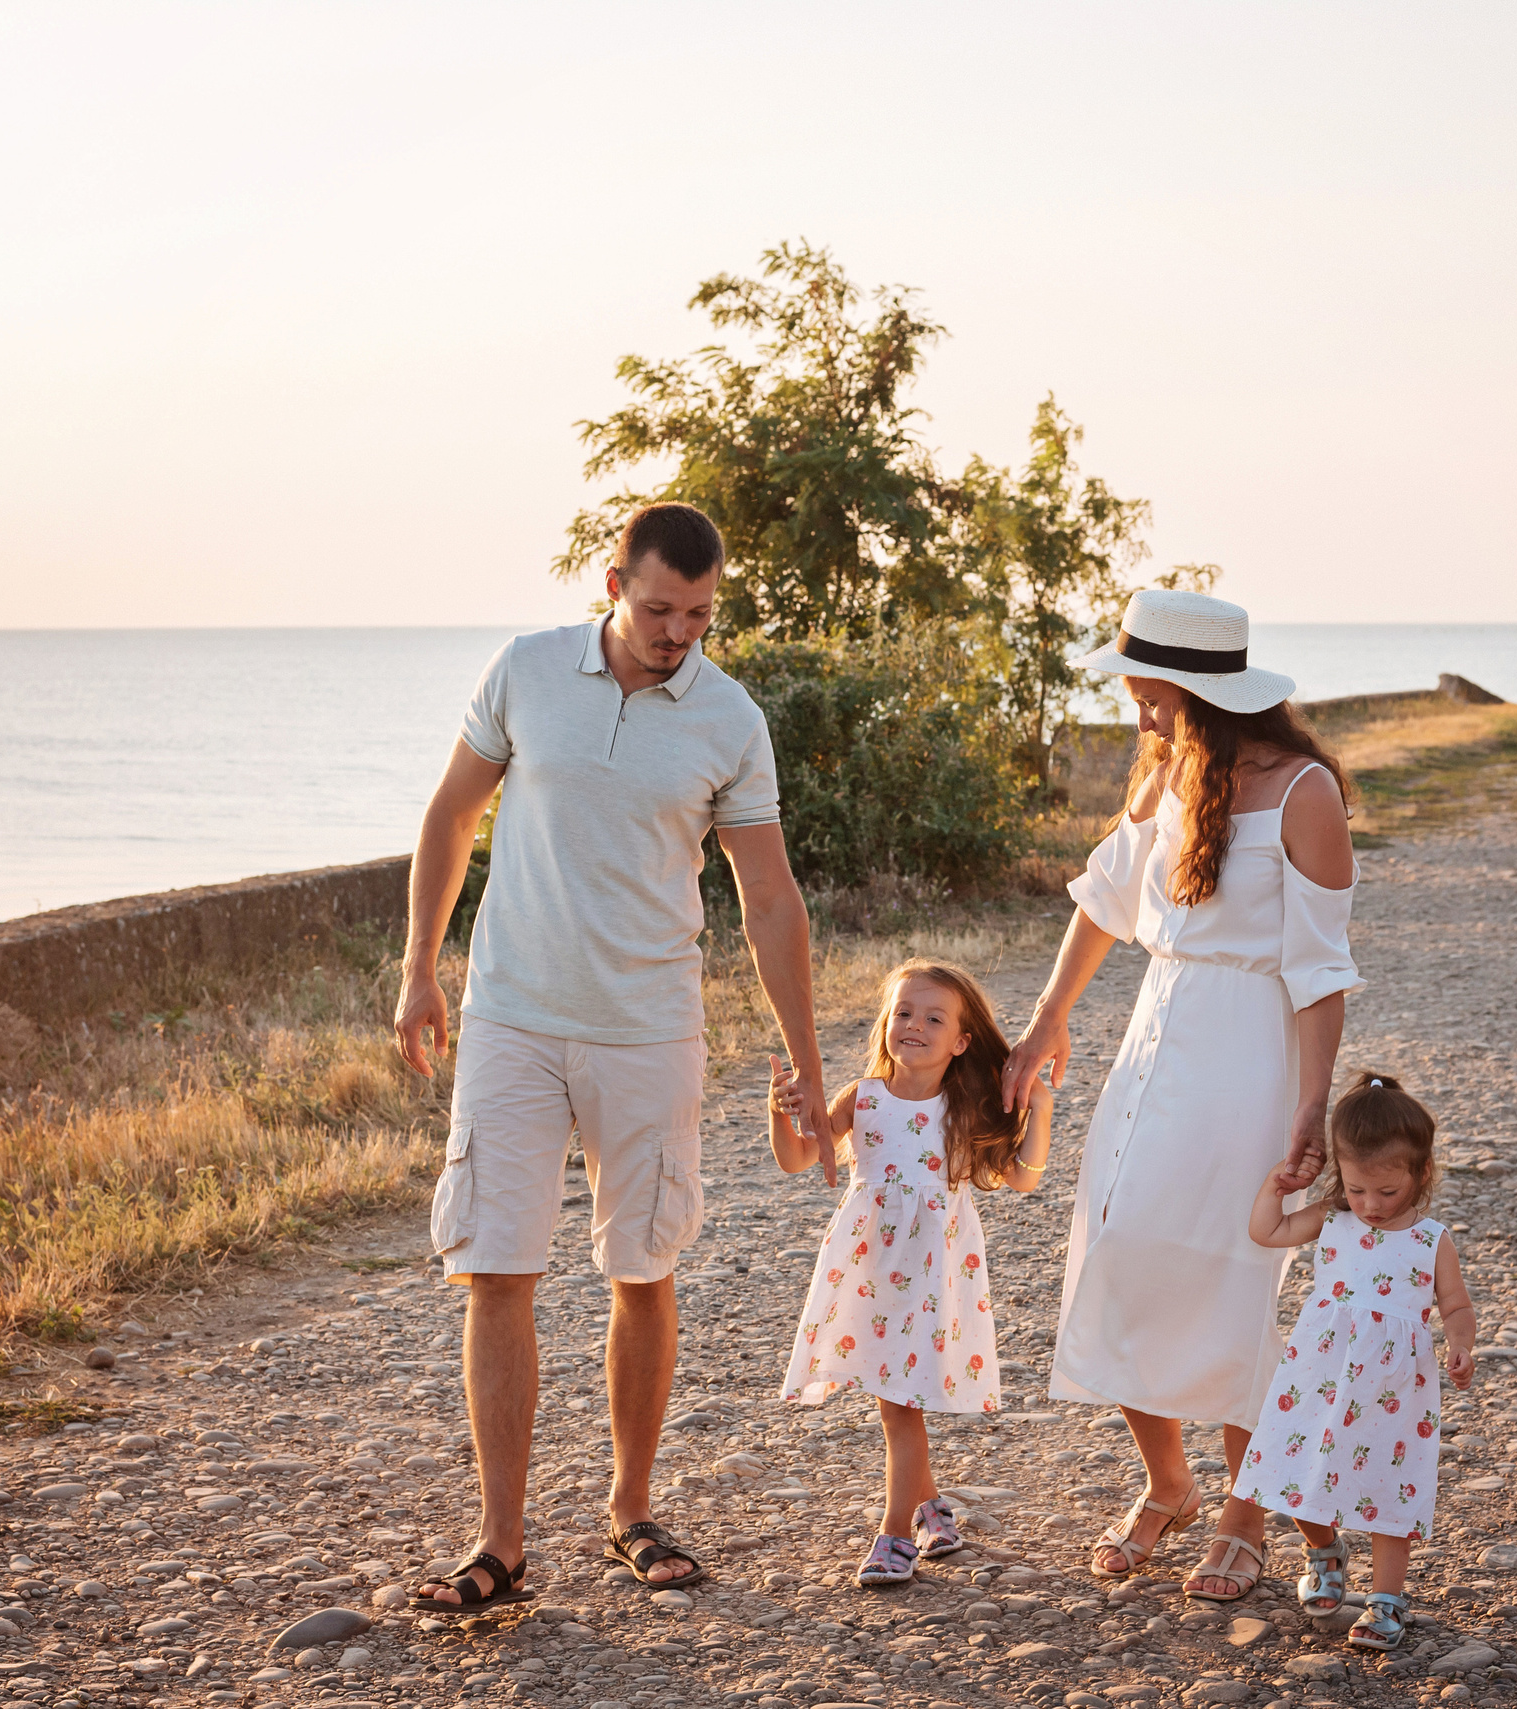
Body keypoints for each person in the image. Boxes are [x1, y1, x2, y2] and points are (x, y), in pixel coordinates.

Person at [392, 502, 836, 1609]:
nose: (676, 630)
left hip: (649, 1028)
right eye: (656, 607)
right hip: (512, 1016)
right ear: (610, 583)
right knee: (497, 1263)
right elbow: (450, 816)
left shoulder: (729, 718)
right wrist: (418, 967)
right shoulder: (526, 671)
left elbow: (769, 897)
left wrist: (803, 1057)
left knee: (642, 1266)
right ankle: (501, 1538)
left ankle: (630, 1506)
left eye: (697, 612)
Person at [998, 586, 1361, 1602]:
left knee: (1235, 1280)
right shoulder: (1162, 771)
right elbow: (1104, 900)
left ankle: (1247, 1508)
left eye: (1147, 691)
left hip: (1249, 1054)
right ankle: (1170, 1480)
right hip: (1155, 1041)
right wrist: (1046, 1019)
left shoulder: (1303, 793)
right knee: (1115, 1254)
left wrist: (1310, 1102)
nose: (1136, 709)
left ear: (1198, 688)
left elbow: (1321, 967)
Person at [769, 960, 1054, 1586]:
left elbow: (1025, 1178)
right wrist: (781, 1110)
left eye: (934, 1018)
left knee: (900, 1405)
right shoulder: (863, 1097)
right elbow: (797, 1159)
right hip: (869, 1267)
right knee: (893, 1399)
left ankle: (896, 1533)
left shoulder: (964, 1106)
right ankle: (931, 1510)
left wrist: (1041, 1105)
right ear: (885, 1022)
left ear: (961, 1041)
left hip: (931, 1274)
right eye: (903, 1013)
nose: (914, 1026)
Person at [1229, 1072, 1475, 1652]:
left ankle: (1388, 1597)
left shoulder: (1429, 1239)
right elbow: (1268, 1231)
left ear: (1421, 1174)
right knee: (1295, 1471)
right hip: (1319, 1374)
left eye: (1388, 1193)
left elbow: (1456, 1304)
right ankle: (1324, 1549)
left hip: (1394, 1386)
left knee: (1393, 1490)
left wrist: (1461, 1344)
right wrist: (1275, 1185)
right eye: (1359, 1189)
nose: (1370, 1206)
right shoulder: (1333, 1218)